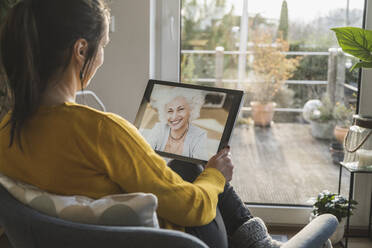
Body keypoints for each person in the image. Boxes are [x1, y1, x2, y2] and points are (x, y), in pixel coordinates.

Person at [0, 0, 284, 247]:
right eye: (103, 46)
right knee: (204, 171)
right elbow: (193, 208)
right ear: (81, 50)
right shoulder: (101, 130)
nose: (101, 58)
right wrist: (218, 176)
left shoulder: (7, 128)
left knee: (186, 164)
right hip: (179, 242)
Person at [144, 87, 208, 160]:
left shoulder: (199, 135)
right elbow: (144, 154)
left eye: (180, 109)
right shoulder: (159, 128)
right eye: (170, 111)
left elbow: (200, 165)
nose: (174, 117)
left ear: (191, 109)